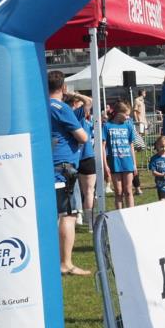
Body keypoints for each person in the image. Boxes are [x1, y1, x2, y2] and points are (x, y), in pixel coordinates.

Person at [49, 70, 90, 276]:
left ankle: (53, 260)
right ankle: (66, 263)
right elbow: (82, 137)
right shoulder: (61, 107)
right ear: (64, 88)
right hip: (64, 168)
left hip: (48, 165)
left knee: (53, 215)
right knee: (69, 215)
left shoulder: (40, 106)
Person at [103, 101, 138, 210]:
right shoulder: (107, 126)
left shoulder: (128, 126)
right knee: (118, 192)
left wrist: (134, 164)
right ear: (118, 113)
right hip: (114, 163)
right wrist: (105, 165)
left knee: (128, 191)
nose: (128, 117)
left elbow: (131, 146)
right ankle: (119, 215)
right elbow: (103, 147)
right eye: (126, 114)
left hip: (127, 163)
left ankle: (131, 215)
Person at [71, 94, 97, 228]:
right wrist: (73, 94)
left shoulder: (68, 116)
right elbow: (89, 101)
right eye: (80, 104)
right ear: (75, 104)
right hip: (85, 156)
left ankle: (80, 216)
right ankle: (90, 223)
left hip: (75, 157)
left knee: (78, 190)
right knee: (89, 191)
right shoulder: (76, 115)